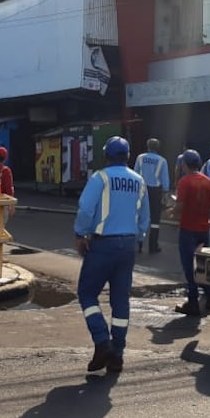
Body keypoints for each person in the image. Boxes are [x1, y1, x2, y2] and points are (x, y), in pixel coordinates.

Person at [73, 136, 149, 375]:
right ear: (128, 156)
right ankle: (117, 354)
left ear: (106, 155)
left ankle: (102, 340)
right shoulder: (139, 180)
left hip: (103, 244)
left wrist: (81, 233)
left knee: (87, 293)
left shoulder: (101, 178)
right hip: (128, 245)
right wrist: (137, 239)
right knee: (120, 300)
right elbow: (144, 218)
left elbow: (86, 209)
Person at [169, 148, 210, 315]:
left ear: (184, 164)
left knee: (189, 267)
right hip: (204, 228)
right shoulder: (207, 181)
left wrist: (171, 211)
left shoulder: (184, 182)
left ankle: (193, 302)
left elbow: (180, 206)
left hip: (188, 229)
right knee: (203, 266)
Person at [133, 137, 169, 254]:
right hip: (155, 191)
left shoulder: (140, 158)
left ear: (148, 146)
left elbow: (135, 173)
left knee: (139, 216)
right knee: (155, 219)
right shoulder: (162, 161)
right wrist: (165, 193)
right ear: (158, 148)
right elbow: (164, 179)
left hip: (141, 189)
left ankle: (138, 243)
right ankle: (153, 246)